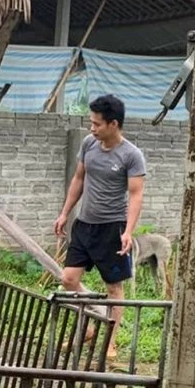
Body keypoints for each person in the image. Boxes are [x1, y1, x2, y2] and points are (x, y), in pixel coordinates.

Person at [52, 93, 147, 357]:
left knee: (114, 287)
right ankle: (96, 319)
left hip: (112, 228)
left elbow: (136, 195)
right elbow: (78, 179)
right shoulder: (88, 144)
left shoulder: (131, 155)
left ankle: (111, 340)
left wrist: (128, 231)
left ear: (113, 124)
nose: (91, 128)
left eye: (96, 123)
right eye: (90, 123)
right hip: (84, 225)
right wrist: (64, 213)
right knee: (69, 279)